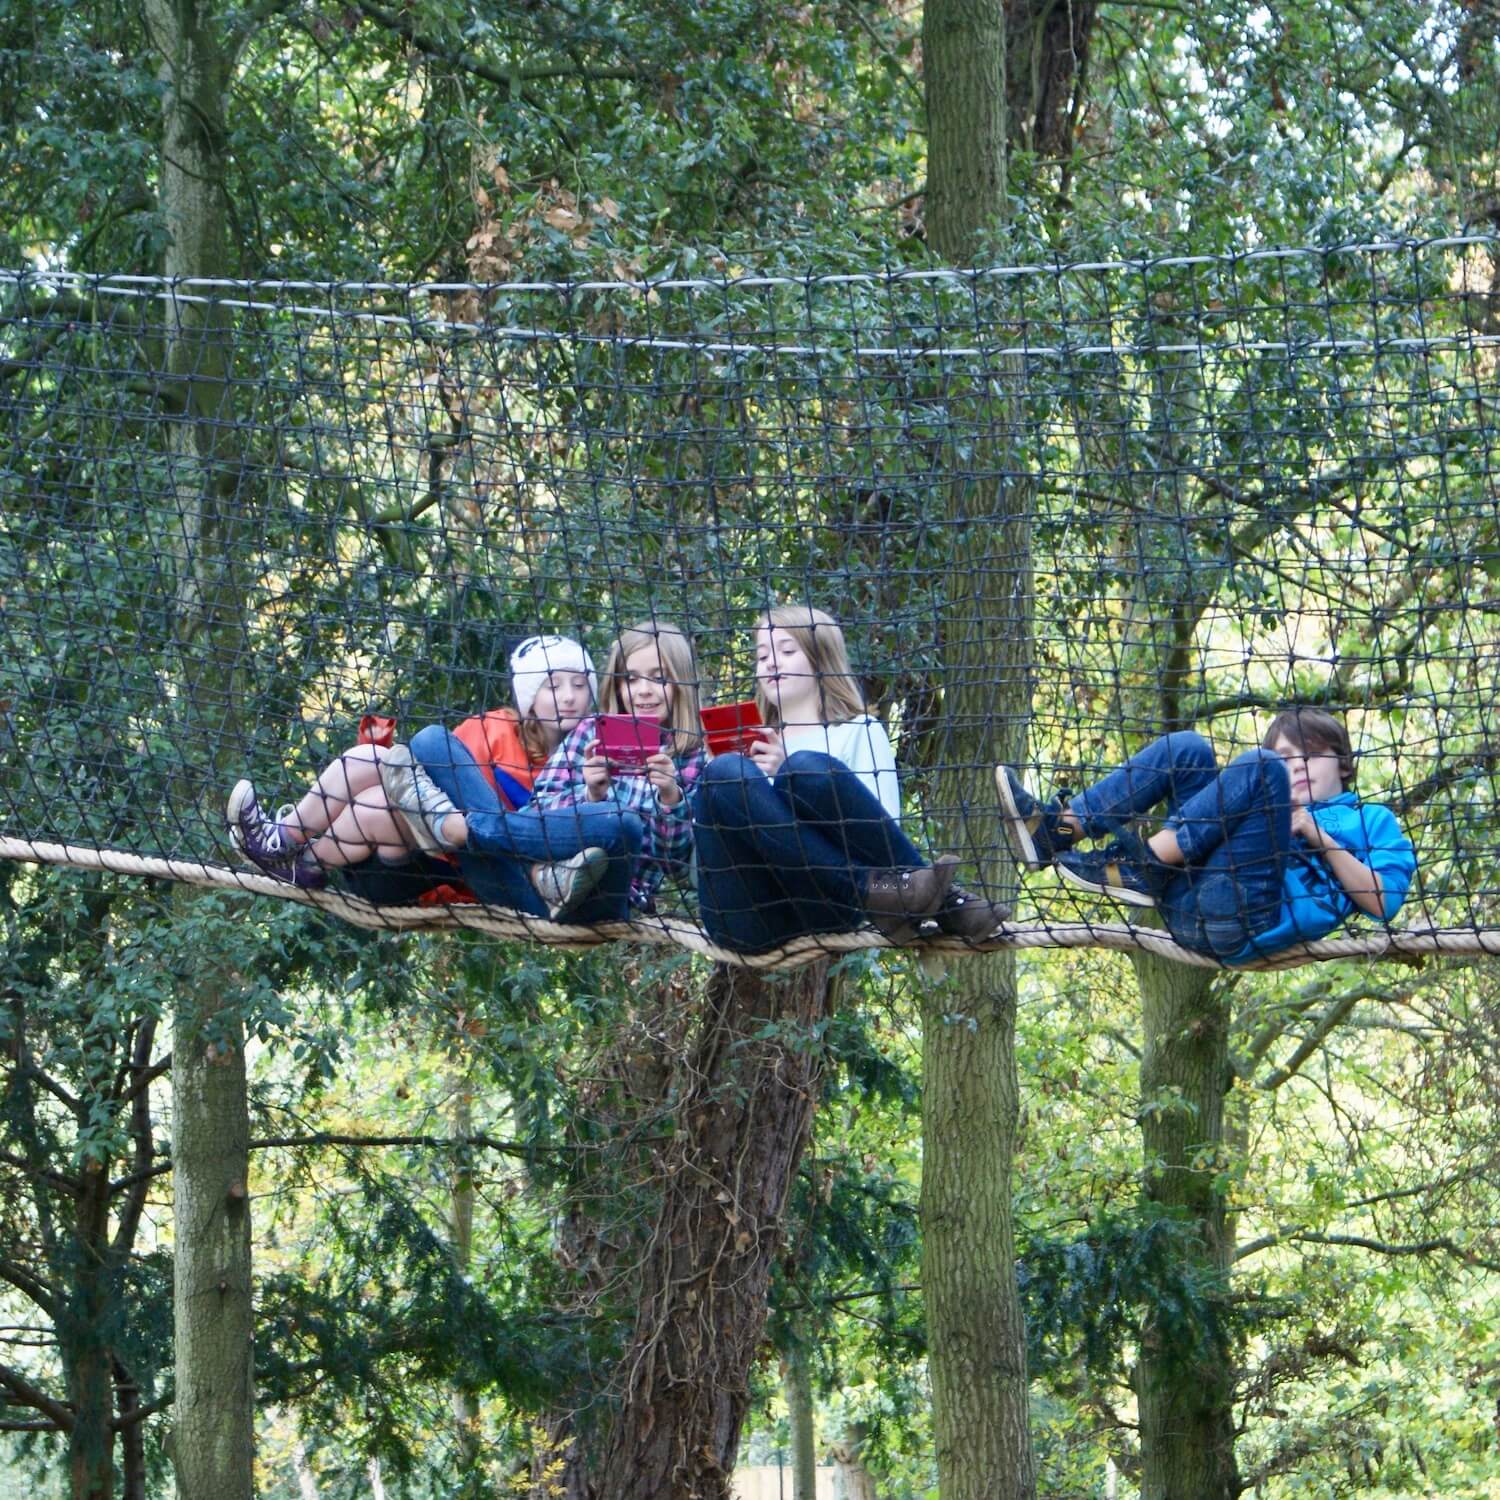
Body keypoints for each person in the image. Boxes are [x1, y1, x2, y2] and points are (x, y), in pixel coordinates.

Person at [225, 635, 617, 918]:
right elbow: (428, 777)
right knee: (375, 773)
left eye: (580, 685)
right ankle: (291, 848)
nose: (568, 696)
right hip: (410, 847)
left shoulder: (595, 751)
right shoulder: (494, 731)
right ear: (530, 697)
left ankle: (292, 851)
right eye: (553, 685)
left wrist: (596, 789)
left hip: (461, 871)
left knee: (379, 792)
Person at [691, 605, 1009, 954]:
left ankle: (902, 894)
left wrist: (782, 771)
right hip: (748, 913)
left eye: (786, 651)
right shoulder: (744, 745)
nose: (770, 662)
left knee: (802, 769)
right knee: (722, 774)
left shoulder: (858, 731)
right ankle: (947, 904)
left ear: (820, 659)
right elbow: (703, 861)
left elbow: (879, 833)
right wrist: (715, 794)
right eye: (762, 655)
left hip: (826, 906)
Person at [994, 708, 1417, 963]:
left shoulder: (1372, 820)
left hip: (1246, 916)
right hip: (1188, 904)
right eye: (1287, 757)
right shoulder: (1269, 799)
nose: (1297, 766)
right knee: (1188, 748)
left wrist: (1315, 833)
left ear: (1343, 763)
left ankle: (1145, 866)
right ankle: (1058, 830)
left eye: (1311, 753)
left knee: (1259, 767)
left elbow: (1385, 903)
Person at [392, 618, 708, 917]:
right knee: (432, 741)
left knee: (621, 824)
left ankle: (455, 828)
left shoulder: (695, 758)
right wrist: (589, 795)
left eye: (659, 678)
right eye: (631, 678)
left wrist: (670, 798)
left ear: (682, 683)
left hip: (599, 902)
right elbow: (533, 813)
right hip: (515, 883)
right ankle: (526, 864)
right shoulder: (589, 733)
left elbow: (677, 869)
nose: (643, 690)